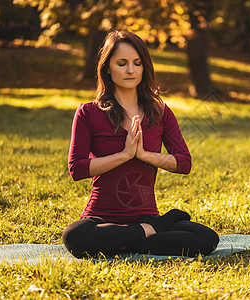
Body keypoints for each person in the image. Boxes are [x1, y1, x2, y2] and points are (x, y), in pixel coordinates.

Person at [62, 30, 219, 259]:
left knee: (206, 238)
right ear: (107, 68)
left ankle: (128, 239)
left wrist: (144, 155)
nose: (130, 70)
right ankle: (148, 233)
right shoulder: (89, 112)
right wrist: (125, 155)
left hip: (145, 215)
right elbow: (76, 169)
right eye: (122, 63)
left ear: (144, 67)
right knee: (74, 236)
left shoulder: (161, 113)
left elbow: (184, 163)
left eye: (137, 63)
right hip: (101, 220)